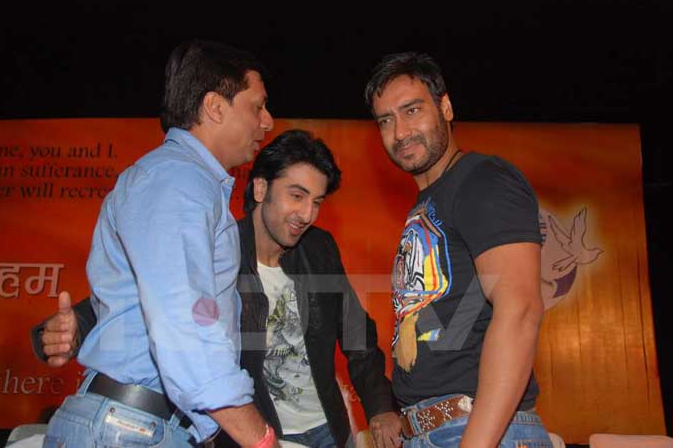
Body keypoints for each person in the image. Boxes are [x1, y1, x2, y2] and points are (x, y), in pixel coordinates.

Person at [34, 130, 401, 448]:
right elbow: (155, 295)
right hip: (253, 432)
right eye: (296, 195)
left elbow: (357, 335)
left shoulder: (319, 249)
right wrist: (76, 326)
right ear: (261, 188)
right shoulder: (219, 247)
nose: (306, 214)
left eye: (317, 202)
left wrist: (381, 407)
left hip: (326, 430)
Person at [40, 39, 277, 448]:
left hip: (139, 427)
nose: (268, 121)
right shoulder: (178, 182)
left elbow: (145, 304)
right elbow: (186, 327)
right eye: (257, 106)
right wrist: (259, 439)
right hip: (130, 430)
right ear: (215, 107)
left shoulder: (183, 183)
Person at [364, 52, 552, 447]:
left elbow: (520, 311)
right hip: (435, 432)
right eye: (386, 120)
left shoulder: (482, 180)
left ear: (445, 107)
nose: (400, 132)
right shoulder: (431, 202)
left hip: (477, 432)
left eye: (412, 110)